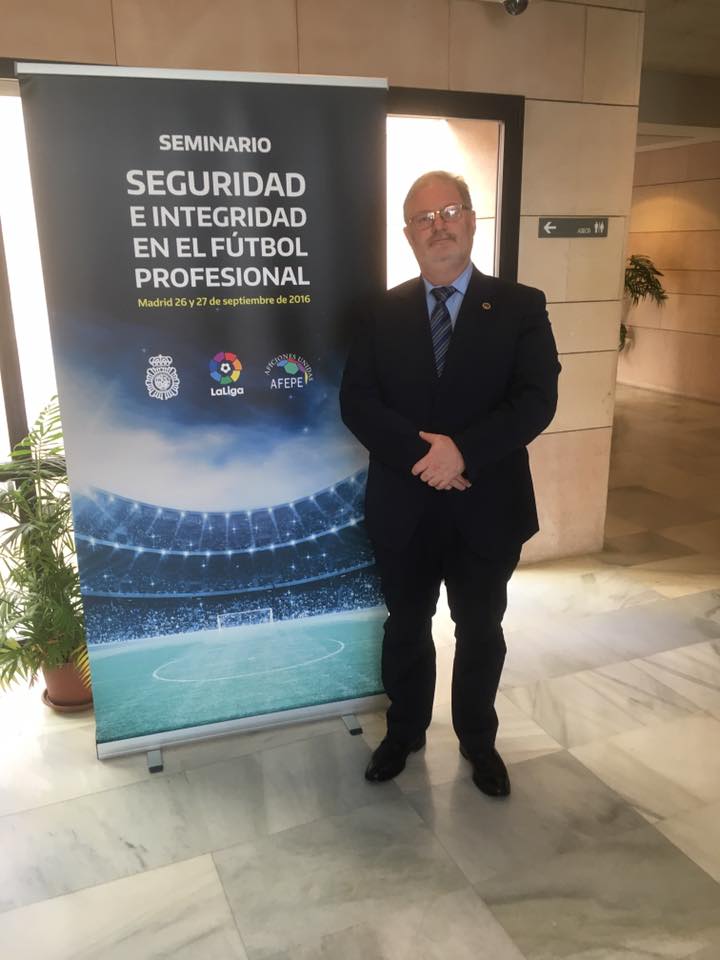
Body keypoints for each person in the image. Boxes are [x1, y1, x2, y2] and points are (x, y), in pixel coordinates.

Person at [339, 170, 560, 797]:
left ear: (471, 220)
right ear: (408, 234)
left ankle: (478, 740)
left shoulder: (521, 305)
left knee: (480, 629)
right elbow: (358, 401)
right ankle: (404, 732)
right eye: (423, 217)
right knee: (406, 626)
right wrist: (427, 457)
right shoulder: (380, 311)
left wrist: (463, 453)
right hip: (404, 505)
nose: (438, 225)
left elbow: (536, 399)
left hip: (486, 505)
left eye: (450, 211)